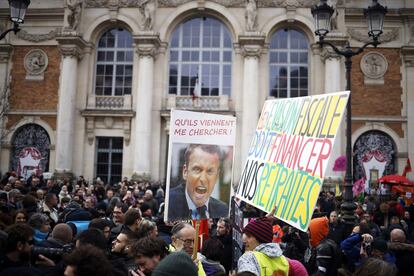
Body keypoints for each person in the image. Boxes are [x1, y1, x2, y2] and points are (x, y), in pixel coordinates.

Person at [168, 144, 228, 220]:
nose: (203, 179)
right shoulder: (168, 203)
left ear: (216, 177)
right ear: (185, 172)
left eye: (210, 171)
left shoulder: (223, 210)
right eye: (197, 169)